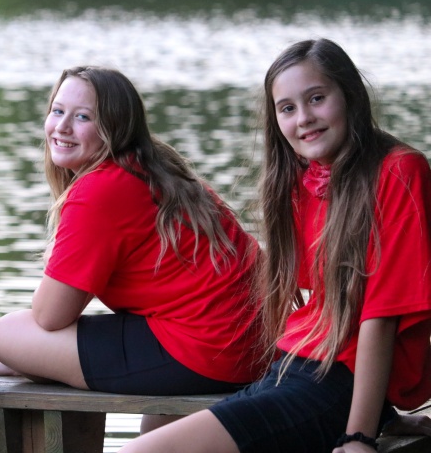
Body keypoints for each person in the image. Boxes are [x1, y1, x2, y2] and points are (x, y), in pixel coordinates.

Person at [118, 38, 431, 453]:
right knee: (152, 431)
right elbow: (315, 301)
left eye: (316, 98)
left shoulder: (399, 171)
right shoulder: (305, 179)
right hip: (291, 369)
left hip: (335, 384)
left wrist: (360, 435)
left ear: (350, 96)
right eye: (287, 108)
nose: (303, 119)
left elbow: (381, 317)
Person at [0, 65, 264, 434]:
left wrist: (31, 359)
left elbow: (50, 316)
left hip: (207, 350)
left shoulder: (100, 190)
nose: (62, 127)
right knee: (152, 431)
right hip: (249, 347)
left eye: (82, 117)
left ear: (114, 129)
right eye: (57, 111)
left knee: (7, 334)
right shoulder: (158, 169)